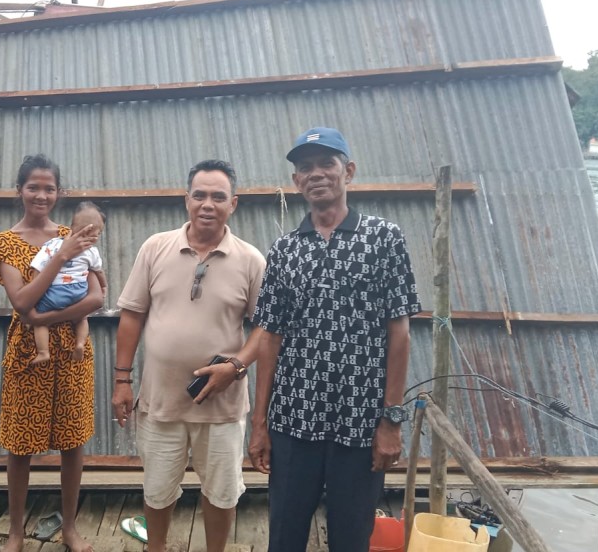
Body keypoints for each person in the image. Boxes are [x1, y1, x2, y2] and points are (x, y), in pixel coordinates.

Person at [248, 127, 422, 552]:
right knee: (284, 535)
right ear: (296, 181)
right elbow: (269, 338)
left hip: (360, 424)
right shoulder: (285, 250)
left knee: (350, 537)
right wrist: (260, 424)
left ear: (349, 171)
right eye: (305, 168)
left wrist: (391, 421)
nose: (316, 174)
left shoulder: (384, 239)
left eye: (327, 163)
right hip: (293, 420)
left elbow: (398, 334)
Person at [112, 159, 266, 552]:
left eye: (218, 196)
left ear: (234, 203)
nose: (207, 204)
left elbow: (265, 329)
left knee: (222, 493)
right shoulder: (155, 247)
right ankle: (156, 547)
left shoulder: (250, 260)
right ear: (186, 200)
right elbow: (132, 316)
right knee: (158, 489)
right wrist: (122, 380)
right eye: (199, 195)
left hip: (222, 405)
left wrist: (235, 366)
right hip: (161, 401)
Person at [0, 155, 103, 552]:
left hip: (72, 352)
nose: (41, 195)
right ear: (19, 190)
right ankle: (16, 533)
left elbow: (97, 296)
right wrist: (59, 256)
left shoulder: (75, 234)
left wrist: (48, 317)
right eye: (33, 187)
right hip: (27, 354)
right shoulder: (5, 242)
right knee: (20, 445)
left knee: (73, 442)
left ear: (59, 192)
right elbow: (22, 302)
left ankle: (69, 527)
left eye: (49, 188)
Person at [28, 201, 108, 366]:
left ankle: (43, 352)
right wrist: (104, 285)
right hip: (79, 293)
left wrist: (34, 292)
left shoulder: (53, 245)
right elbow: (99, 271)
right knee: (82, 317)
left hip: (54, 293)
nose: (95, 236)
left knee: (39, 321)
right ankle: (79, 343)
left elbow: (37, 266)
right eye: (97, 233)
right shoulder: (92, 252)